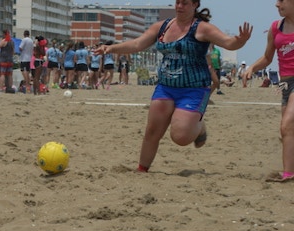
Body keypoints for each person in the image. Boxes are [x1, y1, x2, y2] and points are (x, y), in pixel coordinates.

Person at [95, 0, 251, 173]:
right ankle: (142, 169)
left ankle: (199, 127)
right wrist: (110, 49)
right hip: (166, 86)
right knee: (153, 130)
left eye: (184, 3)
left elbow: (228, 43)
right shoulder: (162, 27)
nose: (179, 7)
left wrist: (240, 40)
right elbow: (137, 44)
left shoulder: (202, 28)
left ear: (194, 5)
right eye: (177, 2)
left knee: (180, 137)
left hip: (194, 88)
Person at [245, 0, 294, 182]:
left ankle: (288, 174)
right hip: (285, 84)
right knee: (288, 131)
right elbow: (267, 57)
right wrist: (252, 68)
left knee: (287, 124)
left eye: (281, 0)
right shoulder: (275, 28)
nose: (276, 4)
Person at [0, 29, 15, 93]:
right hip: (10, 59)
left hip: (4, 59)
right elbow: (13, 51)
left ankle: (1, 88)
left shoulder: (4, 41)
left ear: (4, 34)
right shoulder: (12, 41)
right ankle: (10, 87)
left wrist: (0, 41)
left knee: (2, 74)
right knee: (9, 74)